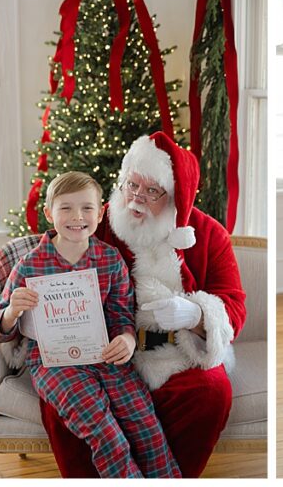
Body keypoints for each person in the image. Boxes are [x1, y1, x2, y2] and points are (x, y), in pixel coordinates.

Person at [39, 132, 247, 478]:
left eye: (152, 192)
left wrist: (195, 314)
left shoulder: (208, 234)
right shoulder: (96, 223)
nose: (136, 199)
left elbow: (234, 304)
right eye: (131, 185)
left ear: (175, 198)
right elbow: (50, 260)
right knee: (66, 406)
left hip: (176, 355)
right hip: (102, 353)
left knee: (211, 392)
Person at [0, 171, 180, 478]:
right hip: (54, 363)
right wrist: (12, 311)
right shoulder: (29, 265)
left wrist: (128, 339)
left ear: (101, 212)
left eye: (87, 208)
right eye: (66, 208)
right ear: (49, 212)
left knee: (147, 429)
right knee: (107, 437)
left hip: (106, 354)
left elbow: (121, 314)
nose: (77, 216)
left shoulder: (109, 259)